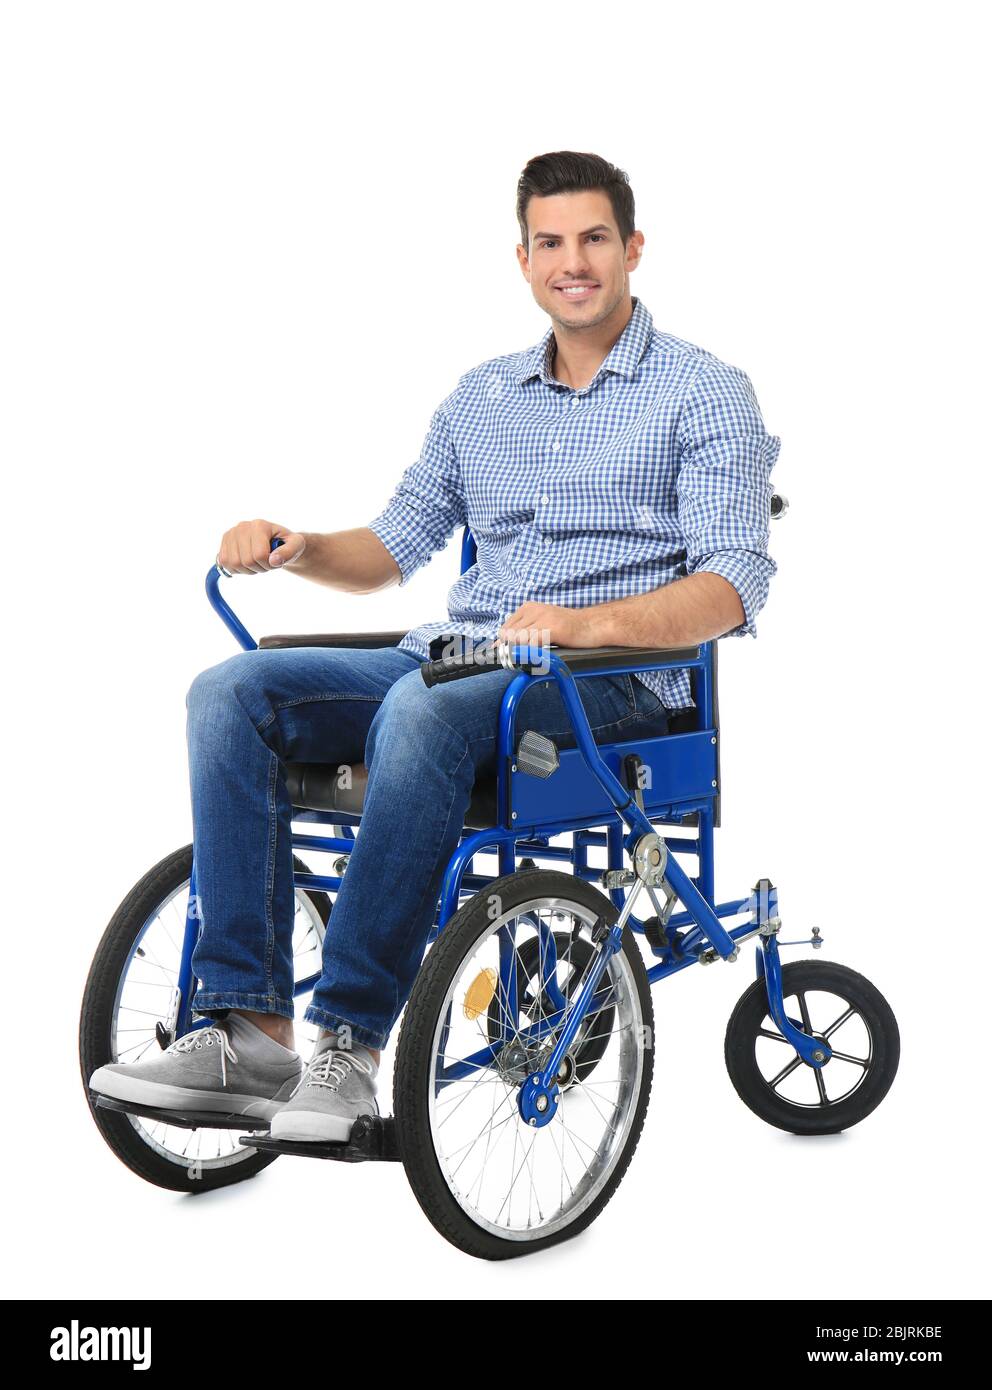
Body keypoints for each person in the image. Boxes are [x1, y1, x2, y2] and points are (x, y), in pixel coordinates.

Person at [89, 150, 780, 1144]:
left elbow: (729, 585)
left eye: (592, 239)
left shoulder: (702, 391)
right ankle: (248, 1025)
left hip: (609, 682)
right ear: (522, 257)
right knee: (228, 690)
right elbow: (391, 547)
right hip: (452, 656)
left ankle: (349, 1043)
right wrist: (300, 546)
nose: (571, 261)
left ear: (630, 250)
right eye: (550, 242)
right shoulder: (482, 397)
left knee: (422, 708)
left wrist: (575, 626)